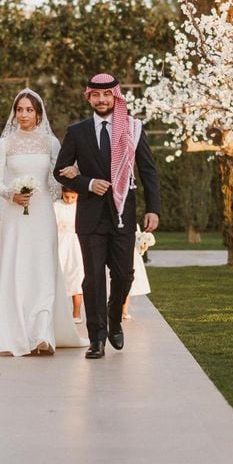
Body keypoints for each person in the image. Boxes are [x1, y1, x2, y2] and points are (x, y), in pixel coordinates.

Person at [0, 89, 86, 357]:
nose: (24, 114)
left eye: (29, 110)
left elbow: (59, 176)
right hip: (15, 213)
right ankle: (14, 330)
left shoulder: (50, 142)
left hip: (43, 212)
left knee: (43, 266)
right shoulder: (6, 143)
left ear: (38, 113)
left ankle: (43, 332)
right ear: (15, 112)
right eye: (19, 109)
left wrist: (73, 173)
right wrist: (11, 193)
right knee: (16, 266)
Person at [54, 72, 161, 359]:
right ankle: (97, 338)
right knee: (92, 279)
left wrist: (154, 208)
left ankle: (115, 321)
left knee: (124, 274)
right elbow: (60, 170)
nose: (102, 100)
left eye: (107, 95)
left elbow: (148, 171)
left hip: (123, 213)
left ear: (116, 96)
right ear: (88, 97)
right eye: (96, 95)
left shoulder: (133, 129)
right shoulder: (77, 132)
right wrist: (87, 183)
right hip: (89, 216)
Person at [54, 187, 84, 321]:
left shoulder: (81, 207)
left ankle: (76, 313)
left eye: (73, 197)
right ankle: (56, 312)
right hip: (60, 243)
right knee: (58, 274)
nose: (69, 200)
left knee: (76, 277)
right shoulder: (56, 206)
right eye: (66, 197)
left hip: (75, 245)